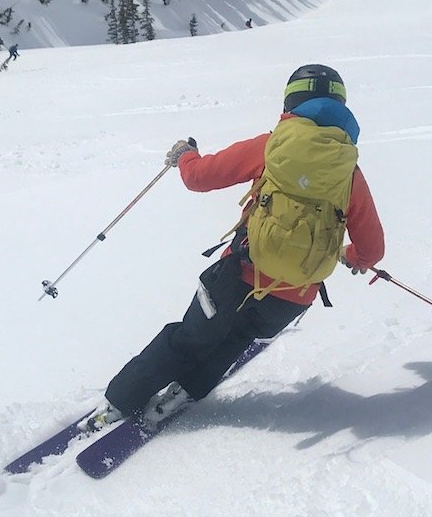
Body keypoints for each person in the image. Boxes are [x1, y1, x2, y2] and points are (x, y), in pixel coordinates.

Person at [93, 64, 385, 429]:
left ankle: (120, 402)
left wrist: (185, 154)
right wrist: (351, 256)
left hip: (235, 278)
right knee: (235, 341)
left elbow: (199, 178)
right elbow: (372, 250)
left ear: (291, 102)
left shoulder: (272, 147)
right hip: (292, 297)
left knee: (188, 338)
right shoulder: (349, 171)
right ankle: (184, 393)